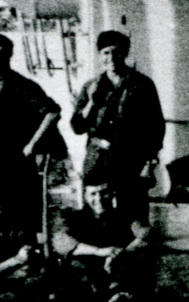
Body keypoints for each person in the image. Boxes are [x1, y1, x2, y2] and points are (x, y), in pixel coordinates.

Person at [70, 30, 165, 225]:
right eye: (106, 52)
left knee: (133, 214)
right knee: (96, 215)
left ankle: (132, 253)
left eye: (117, 52)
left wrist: (149, 163)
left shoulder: (142, 85)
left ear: (125, 54)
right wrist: (91, 102)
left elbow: (156, 127)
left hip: (131, 159)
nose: (111, 57)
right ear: (99, 55)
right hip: (97, 160)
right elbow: (77, 127)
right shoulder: (90, 86)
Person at [0, 33, 65, 231]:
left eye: (2, 54)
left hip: (18, 161)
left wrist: (32, 144)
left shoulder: (24, 86)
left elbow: (53, 112)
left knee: (21, 214)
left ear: (10, 55)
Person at [53, 181, 150, 302]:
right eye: (93, 194)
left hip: (117, 269)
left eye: (104, 193)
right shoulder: (73, 217)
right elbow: (61, 242)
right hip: (89, 274)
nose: (99, 199)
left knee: (140, 258)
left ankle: (121, 296)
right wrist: (99, 252)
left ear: (112, 195)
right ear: (85, 196)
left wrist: (119, 254)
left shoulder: (125, 215)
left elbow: (146, 233)